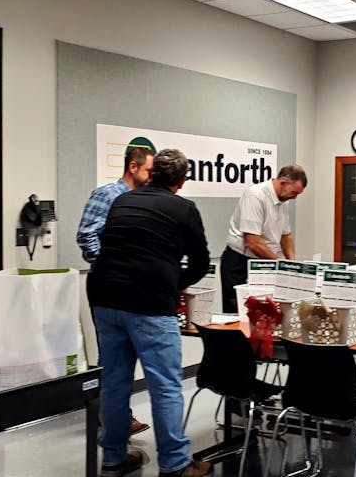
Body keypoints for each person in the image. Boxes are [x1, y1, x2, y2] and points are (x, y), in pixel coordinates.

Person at [88, 149, 213, 477]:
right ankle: (175, 463)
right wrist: (175, 285)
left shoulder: (123, 200)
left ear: (152, 173)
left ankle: (113, 457)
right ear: (182, 180)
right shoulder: (184, 208)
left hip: (104, 297)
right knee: (166, 385)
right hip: (149, 303)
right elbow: (200, 263)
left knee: (114, 383)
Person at [76, 142, 154, 436]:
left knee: (128, 355)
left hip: (134, 287)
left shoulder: (144, 199)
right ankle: (113, 420)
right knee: (113, 356)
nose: (152, 175)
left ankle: (118, 418)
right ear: (132, 167)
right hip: (108, 285)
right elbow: (86, 235)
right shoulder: (106, 195)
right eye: (148, 169)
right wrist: (109, 265)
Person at [220, 165, 307, 313]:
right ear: (283, 182)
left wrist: (292, 264)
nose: (294, 197)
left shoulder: (283, 200)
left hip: (264, 263)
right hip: (239, 264)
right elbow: (252, 242)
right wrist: (281, 264)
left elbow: (285, 236)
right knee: (238, 316)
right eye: (294, 192)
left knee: (265, 315)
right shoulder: (255, 195)